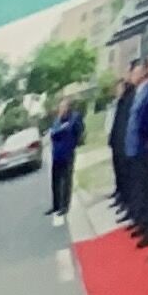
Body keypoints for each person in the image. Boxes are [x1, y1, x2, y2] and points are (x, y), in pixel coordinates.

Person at [54, 92, 87, 221]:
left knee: (66, 179)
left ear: (68, 107)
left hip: (68, 151)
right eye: (60, 107)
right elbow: (54, 133)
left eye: (63, 107)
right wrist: (61, 129)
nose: (61, 109)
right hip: (58, 153)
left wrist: (75, 141)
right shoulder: (58, 120)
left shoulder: (74, 117)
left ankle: (65, 205)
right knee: (58, 180)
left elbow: (78, 130)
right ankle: (58, 204)